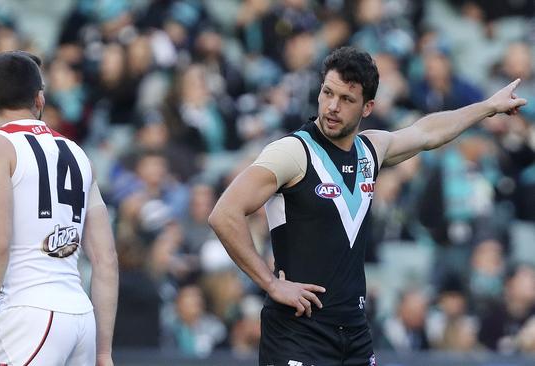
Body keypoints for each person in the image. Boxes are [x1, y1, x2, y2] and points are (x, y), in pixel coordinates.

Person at [208, 46, 527, 366]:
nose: (332, 106)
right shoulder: (293, 151)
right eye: (327, 93)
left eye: (346, 99)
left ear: (367, 107)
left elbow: (428, 133)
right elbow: (224, 213)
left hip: (355, 332)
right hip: (298, 332)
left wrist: (487, 107)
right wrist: (270, 283)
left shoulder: (370, 150)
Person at [0, 51, 119, 366]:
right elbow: (105, 259)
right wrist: (104, 351)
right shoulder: (78, 153)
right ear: (39, 99)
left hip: (30, 314)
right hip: (81, 316)